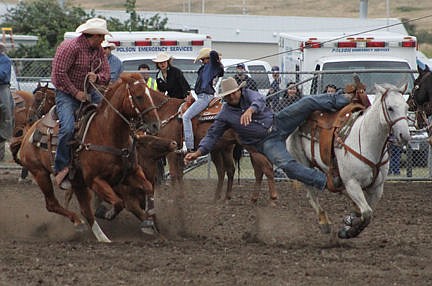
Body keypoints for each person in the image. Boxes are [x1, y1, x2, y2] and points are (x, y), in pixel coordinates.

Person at [185, 77, 352, 192]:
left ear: (239, 90)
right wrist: (198, 152)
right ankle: (325, 181)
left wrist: (251, 109)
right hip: (266, 142)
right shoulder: (225, 114)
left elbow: (259, 99)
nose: (232, 96)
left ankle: (345, 98)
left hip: (278, 122)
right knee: (286, 165)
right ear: (225, 98)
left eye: (234, 93)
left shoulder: (248, 94)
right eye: (228, 95)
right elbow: (212, 135)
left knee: (306, 102)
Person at [51, 18, 111, 189]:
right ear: (93, 35)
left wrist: (97, 77)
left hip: (91, 92)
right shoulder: (70, 48)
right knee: (68, 127)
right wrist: (76, 93)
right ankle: (61, 166)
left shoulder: (98, 49)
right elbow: (59, 74)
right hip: (66, 94)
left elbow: (106, 73)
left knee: (109, 119)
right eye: (101, 37)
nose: (102, 41)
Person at [182, 47, 224, 152]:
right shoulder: (207, 67)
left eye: (203, 59)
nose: (202, 61)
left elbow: (214, 54)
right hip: (201, 95)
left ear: (207, 58)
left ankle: (189, 147)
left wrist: (213, 56)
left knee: (186, 117)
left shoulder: (212, 65)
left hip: (205, 96)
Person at [0, 42, 13, 161]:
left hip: (1, 87)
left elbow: (3, 75)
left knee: (5, 108)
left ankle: (5, 132)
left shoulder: (5, 60)